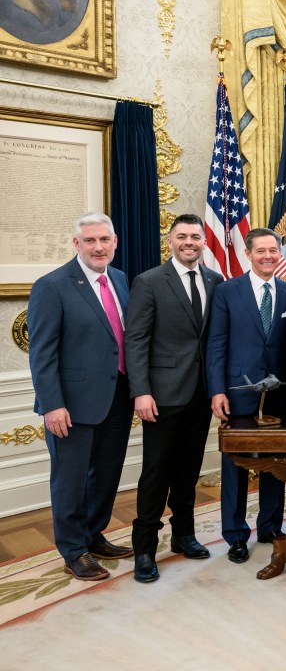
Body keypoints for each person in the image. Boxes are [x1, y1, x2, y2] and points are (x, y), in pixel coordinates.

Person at [27, 213, 133, 582]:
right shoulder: (52, 285)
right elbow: (42, 353)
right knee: (70, 480)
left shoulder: (119, 279)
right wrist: (53, 404)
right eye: (90, 241)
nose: (98, 247)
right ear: (77, 244)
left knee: (105, 475)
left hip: (117, 397)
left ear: (115, 242)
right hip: (70, 405)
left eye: (104, 240)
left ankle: (94, 534)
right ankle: (73, 550)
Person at [123, 214, 222, 583]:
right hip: (161, 395)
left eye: (195, 237)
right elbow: (135, 340)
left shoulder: (214, 280)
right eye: (182, 237)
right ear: (171, 241)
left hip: (201, 394)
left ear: (203, 241)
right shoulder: (148, 282)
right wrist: (141, 391)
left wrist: (216, 389)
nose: (189, 243)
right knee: (156, 472)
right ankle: (145, 549)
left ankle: (184, 535)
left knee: (188, 470)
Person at [206, 228, 286, 565]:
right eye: (261, 251)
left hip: (279, 394)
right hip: (238, 393)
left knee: (276, 464)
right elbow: (216, 344)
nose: (269, 256)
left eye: (274, 251)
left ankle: (271, 527)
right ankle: (235, 535)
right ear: (248, 254)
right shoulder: (227, 291)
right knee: (237, 467)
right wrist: (216, 390)